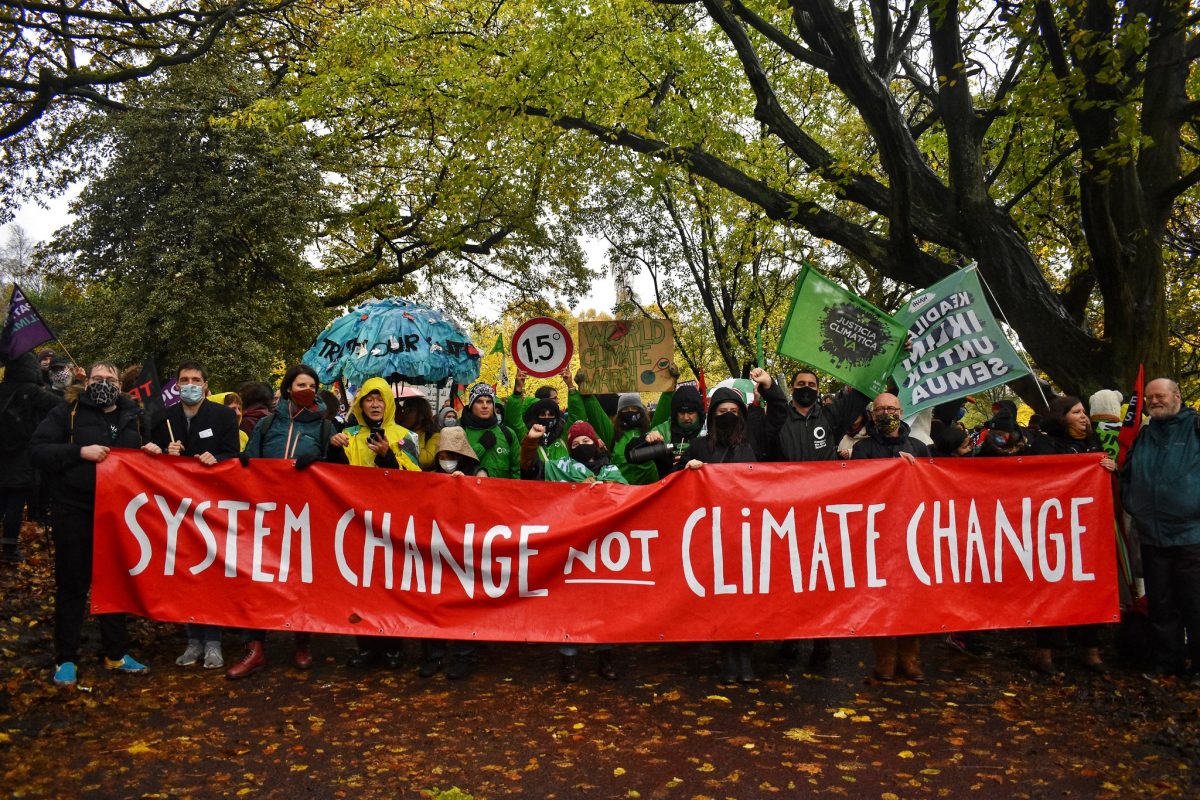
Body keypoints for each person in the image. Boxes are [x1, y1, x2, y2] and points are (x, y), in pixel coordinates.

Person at [30, 360, 153, 686]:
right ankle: (66, 658)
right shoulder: (65, 413)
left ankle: (116, 653)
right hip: (74, 510)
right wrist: (78, 452)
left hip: (119, 514)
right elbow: (38, 450)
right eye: (96, 378)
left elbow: (150, 457)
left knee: (113, 583)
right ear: (86, 384)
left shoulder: (135, 417)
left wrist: (153, 451)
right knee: (72, 585)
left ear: (119, 385)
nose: (102, 383)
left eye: (109, 378)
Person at [226, 364, 336, 679]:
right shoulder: (266, 424)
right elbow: (248, 461)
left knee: (302, 579)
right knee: (258, 578)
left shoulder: (324, 428)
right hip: (266, 514)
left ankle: (302, 643)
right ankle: (255, 648)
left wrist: (321, 462)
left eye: (313, 385)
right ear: (288, 388)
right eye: (301, 384)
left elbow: (338, 474)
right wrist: (245, 461)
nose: (308, 390)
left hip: (305, 517)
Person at [766, 368, 870, 668]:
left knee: (821, 578)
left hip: (823, 513)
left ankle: (822, 638)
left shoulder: (830, 417)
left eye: (812, 384)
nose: (806, 388)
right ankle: (791, 636)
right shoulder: (779, 418)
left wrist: (892, 354)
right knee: (790, 578)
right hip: (786, 513)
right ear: (792, 389)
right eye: (801, 384)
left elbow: (862, 392)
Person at [144, 361, 241, 669]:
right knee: (186, 573)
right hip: (177, 510)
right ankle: (192, 640)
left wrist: (219, 457)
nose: (190, 384)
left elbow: (235, 456)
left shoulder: (223, 416)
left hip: (211, 508)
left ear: (205, 385)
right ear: (177, 385)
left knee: (210, 572)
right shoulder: (164, 418)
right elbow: (151, 456)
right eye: (184, 380)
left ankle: (213, 641)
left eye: (195, 380)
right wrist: (162, 453)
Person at [679, 371, 773, 683]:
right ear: (713, 416)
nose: (728, 416)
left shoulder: (753, 442)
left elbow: (780, 415)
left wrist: (770, 388)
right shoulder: (699, 447)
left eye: (733, 411)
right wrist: (689, 471)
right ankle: (727, 659)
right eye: (722, 412)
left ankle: (745, 658)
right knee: (721, 600)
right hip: (714, 536)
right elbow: (680, 488)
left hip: (748, 534)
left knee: (745, 600)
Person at [328, 377, 420, 669]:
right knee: (360, 587)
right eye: (369, 399)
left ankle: (393, 647)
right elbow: (334, 475)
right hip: (357, 523)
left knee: (392, 586)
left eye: (380, 399)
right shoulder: (349, 434)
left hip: (394, 524)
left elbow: (416, 479)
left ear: (389, 403)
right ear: (360, 404)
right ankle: (365, 646)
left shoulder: (406, 436)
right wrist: (334, 448)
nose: (375, 404)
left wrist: (387, 458)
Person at [1028, 395, 1116, 674]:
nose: (1083, 417)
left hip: (1089, 529)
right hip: (1055, 529)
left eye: (1084, 412)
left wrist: (1109, 468)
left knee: (1091, 586)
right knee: (1053, 588)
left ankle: (1090, 648)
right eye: (1076, 412)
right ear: (1061, 416)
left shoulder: (1093, 443)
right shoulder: (1044, 444)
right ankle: (1045, 650)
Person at [1120, 378, 1200, 686]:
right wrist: (1132, 502)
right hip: (1152, 536)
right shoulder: (1145, 434)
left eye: (1160, 396)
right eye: (1150, 397)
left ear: (1176, 396)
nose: (1154, 401)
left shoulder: (1194, 427)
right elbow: (1127, 473)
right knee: (1162, 604)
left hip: (1191, 535)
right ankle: (1169, 662)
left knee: (1194, 602)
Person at [853, 392, 930, 682]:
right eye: (880, 409)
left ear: (901, 411)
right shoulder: (863, 450)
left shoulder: (920, 447)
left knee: (913, 600)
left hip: (913, 535)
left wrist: (914, 471)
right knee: (881, 600)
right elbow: (859, 485)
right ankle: (884, 660)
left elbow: (933, 485)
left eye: (891, 408)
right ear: (873, 415)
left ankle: (910, 660)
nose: (886, 413)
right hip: (878, 537)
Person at [417, 425, 484, 680]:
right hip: (437, 552)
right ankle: (433, 655)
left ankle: (464, 656)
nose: (447, 461)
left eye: (452, 455)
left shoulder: (478, 474)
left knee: (467, 605)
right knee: (434, 604)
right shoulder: (432, 476)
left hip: (469, 552)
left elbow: (488, 502)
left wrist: (467, 486)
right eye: (443, 456)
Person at [0, 353, 64, 562]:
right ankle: (9, 548)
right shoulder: (33, 391)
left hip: (2, 452)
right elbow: (61, 407)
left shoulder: (2, 389)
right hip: (22, 454)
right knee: (16, 501)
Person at [460, 383, 520, 479]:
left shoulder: (508, 433)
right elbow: (454, 464)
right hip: (468, 492)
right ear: (471, 405)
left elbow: (517, 470)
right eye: (479, 401)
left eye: (489, 402)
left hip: (501, 493)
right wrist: (481, 447)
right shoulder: (461, 432)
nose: (485, 406)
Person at [395, 388, 440, 470]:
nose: (405, 414)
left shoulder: (434, 435)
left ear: (422, 415)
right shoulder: (399, 430)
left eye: (410, 411)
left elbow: (426, 461)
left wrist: (407, 440)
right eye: (404, 410)